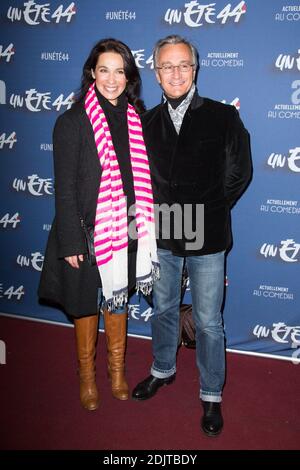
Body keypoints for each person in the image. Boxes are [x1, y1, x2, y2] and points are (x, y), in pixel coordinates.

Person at [132, 35, 252, 436]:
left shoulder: (223, 116)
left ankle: (212, 393)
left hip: (207, 236)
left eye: (184, 64)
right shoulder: (145, 123)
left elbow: (239, 173)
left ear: (195, 69)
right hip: (162, 235)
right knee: (163, 309)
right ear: (156, 72)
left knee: (208, 320)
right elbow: (141, 182)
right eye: (167, 66)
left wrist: (208, 210)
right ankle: (162, 369)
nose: (176, 73)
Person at [38, 38, 159, 411]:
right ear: (91, 73)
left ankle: (117, 371)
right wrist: (73, 241)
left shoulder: (138, 118)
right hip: (85, 230)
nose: (111, 79)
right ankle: (88, 377)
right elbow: (66, 187)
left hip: (128, 226)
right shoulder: (71, 121)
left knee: (117, 298)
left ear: (129, 77)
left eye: (119, 71)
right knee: (85, 305)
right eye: (103, 70)